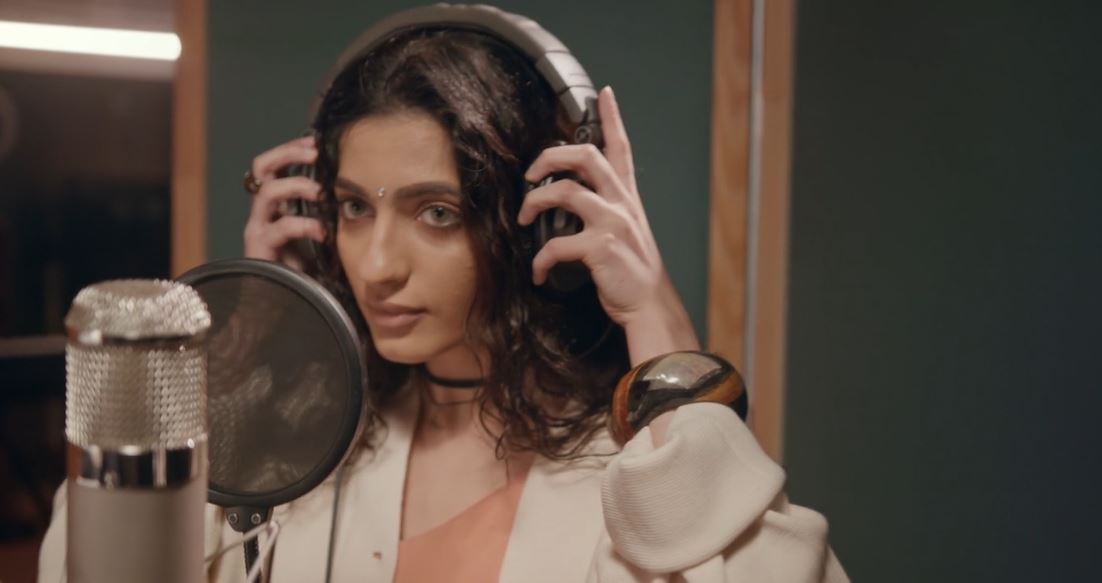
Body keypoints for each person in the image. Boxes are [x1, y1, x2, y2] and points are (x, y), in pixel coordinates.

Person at [40, 14, 848, 583]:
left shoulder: (633, 472)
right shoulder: (295, 453)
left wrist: (658, 322)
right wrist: (260, 328)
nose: (376, 265)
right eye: (354, 208)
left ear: (542, 220)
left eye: (436, 213)